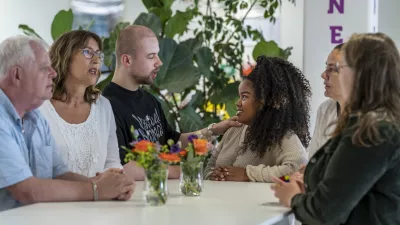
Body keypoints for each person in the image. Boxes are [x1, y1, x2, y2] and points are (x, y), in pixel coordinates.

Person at [272, 33, 400, 225]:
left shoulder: (371, 131)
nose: (327, 74)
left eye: (338, 68)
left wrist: (292, 197)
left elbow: (325, 212)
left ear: (361, 73)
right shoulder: (371, 122)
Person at [0, 35, 134, 212]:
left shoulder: (34, 117)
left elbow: (59, 172)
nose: (53, 73)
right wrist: (96, 189)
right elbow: (26, 191)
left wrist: (112, 186)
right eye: (43, 68)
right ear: (17, 74)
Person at [102, 25, 241, 180]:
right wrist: (183, 171)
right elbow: (122, 167)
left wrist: (213, 130)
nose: (159, 62)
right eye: (151, 56)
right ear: (127, 60)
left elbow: (173, 141)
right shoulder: (106, 107)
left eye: (158, 55)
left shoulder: (150, 100)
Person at [204, 56, 310, 182]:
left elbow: (297, 172)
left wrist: (248, 175)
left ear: (265, 101)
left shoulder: (282, 135)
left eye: (244, 97)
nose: (238, 103)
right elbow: (208, 169)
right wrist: (213, 175)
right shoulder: (233, 129)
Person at [39, 30, 123, 177]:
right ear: (65, 56)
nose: (96, 60)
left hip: (97, 198)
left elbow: (112, 162)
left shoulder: (103, 106)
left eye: (99, 54)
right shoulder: (39, 107)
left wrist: (115, 177)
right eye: (88, 52)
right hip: (51, 199)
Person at [308, 43, 344, 158]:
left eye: (332, 69)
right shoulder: (325, 109)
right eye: (326, 68)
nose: (323, 75)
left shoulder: (374, 120)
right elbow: (313, 159)